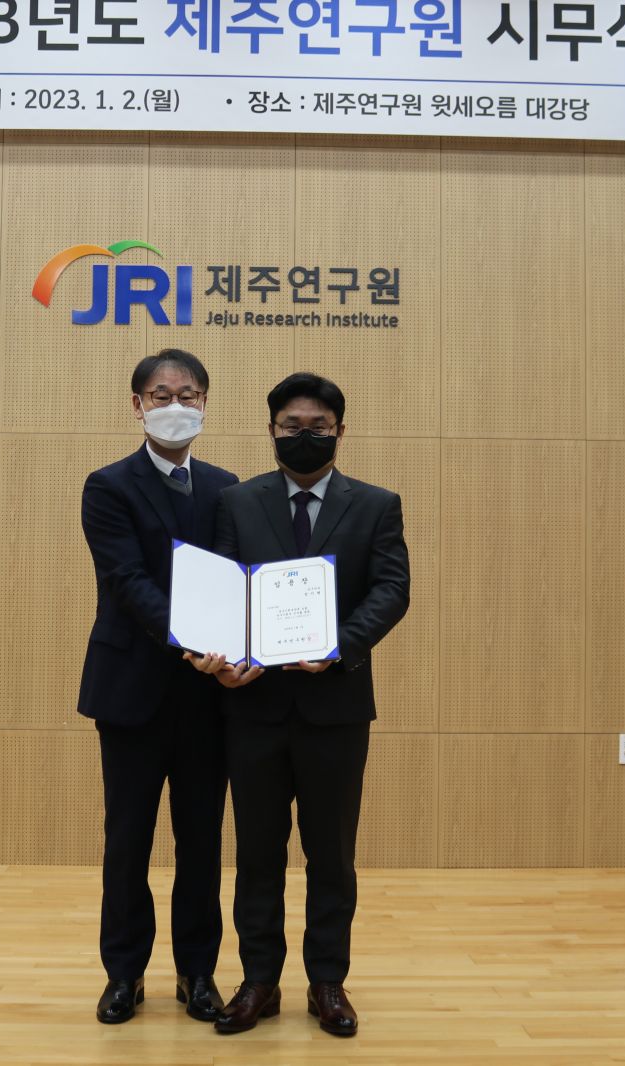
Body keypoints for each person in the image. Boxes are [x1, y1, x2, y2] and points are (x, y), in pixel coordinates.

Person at [187, 372, 411, 1038]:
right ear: (271, 430)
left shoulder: (376, 504)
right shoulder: (237, 502)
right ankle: (258, 982)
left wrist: (338, 646)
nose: (305, 437)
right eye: (292, 427)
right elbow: (222, 588)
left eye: (318, 427)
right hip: (253, 708)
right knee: (258, 854)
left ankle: (327, 983)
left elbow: (391, 590)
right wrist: (224, 658)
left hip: (335, 708)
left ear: (341, 431)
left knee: (331, 857)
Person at [77, 349, 238, 1025]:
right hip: (132, 692)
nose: (176, 405)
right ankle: (124, 974)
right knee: (128, 841)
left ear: (205, 404)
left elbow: (236, 582)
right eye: (162, 394)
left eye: (189, 394)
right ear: (137, 405)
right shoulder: (108, 486)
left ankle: (197, 973)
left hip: (209, 697)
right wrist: (194, 645)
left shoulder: (227, 488)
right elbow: (128, 583)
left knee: (202, 842)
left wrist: (236, 649)